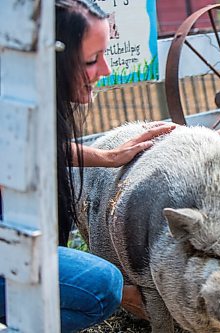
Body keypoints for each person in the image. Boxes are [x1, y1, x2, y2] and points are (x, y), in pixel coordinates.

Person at [0, 0, 175, 331]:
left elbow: (37, 148)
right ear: (51, 58)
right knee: (103, 286)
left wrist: (108, 157)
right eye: (92, 60)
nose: (106, 70)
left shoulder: (26, 98)